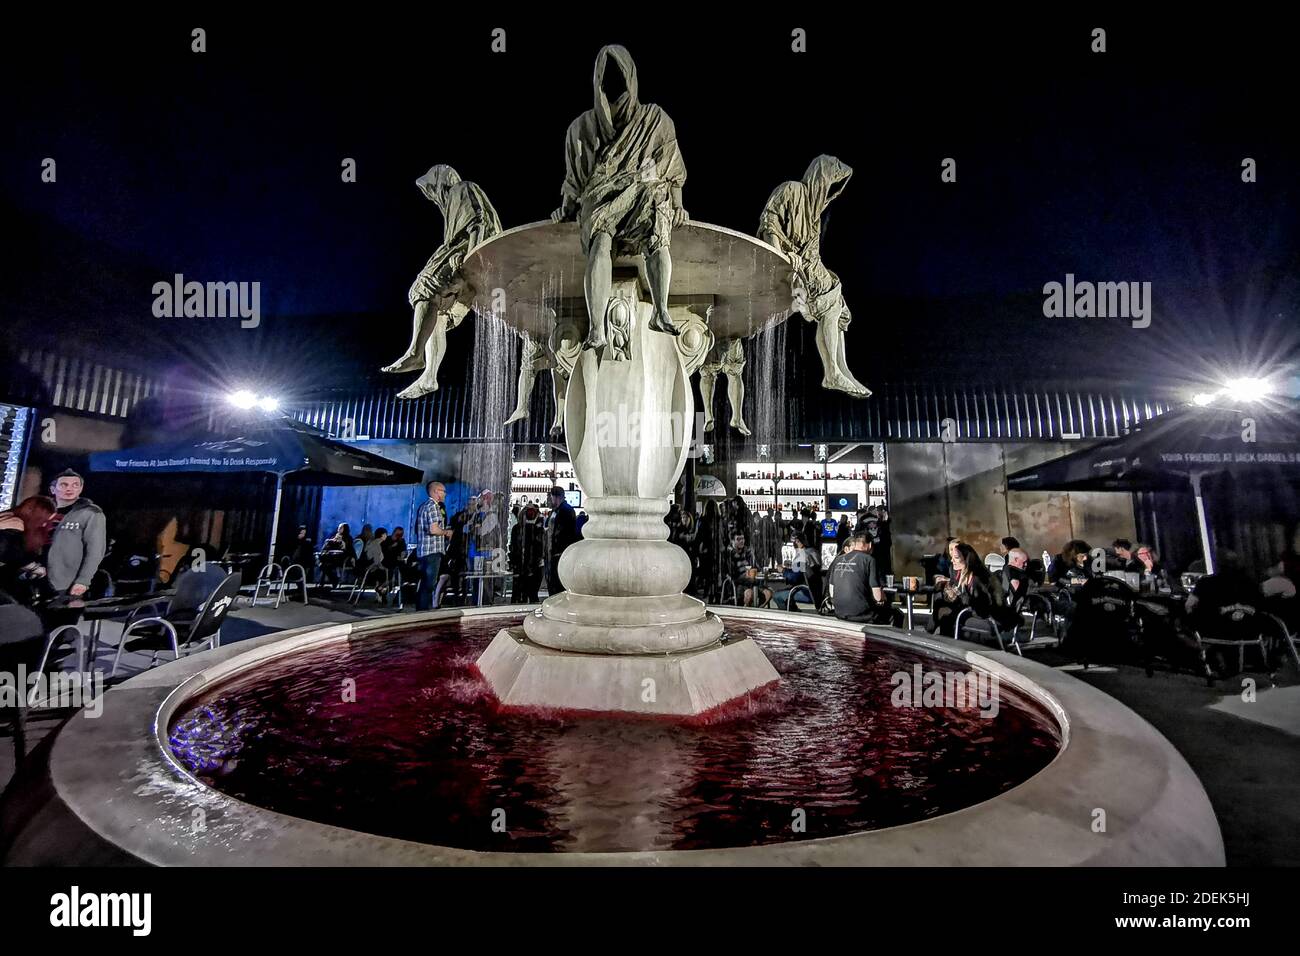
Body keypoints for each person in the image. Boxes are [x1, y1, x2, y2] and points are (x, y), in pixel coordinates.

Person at [551, 44, 688, 353]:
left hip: (643, 193)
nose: (614, 87)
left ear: (631, 79)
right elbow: (575, 176)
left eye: (619, 78)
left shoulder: (655, 119)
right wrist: (567, 207)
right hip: (601, 199)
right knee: (599, 241)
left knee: (658, 224)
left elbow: (671, 166)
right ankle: (597, 327)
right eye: (606, 79)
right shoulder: (582, 127)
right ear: (598, 82)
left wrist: (678, 204)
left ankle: (661, 311)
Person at [383, 165, 502, 398]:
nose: (432, 196)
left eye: (432, 189)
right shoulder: (452, 207)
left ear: (441, 183)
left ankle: (415, 354)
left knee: (424, 286)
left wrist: (473, 257)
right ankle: (429, 377)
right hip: (474, 265)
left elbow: (479, 221)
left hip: (473, 254)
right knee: (437, 318)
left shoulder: (461, 188)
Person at [44, 469, 107, 597]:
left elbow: (95, 550)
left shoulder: (91, 513)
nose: (70, 489)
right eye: (64, 485)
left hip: (66, 582)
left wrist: (83, 580)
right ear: (53, 489)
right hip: (36, 578)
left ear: (80, 489)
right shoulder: (40, 511)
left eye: (75, 485)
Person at [927, 542, 1000, 637]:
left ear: (967, 560)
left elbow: (977, 604)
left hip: (982, 615)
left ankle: (938, 639)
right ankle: (930, 635)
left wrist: (956, 595)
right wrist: (947, 589)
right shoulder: (961, 573)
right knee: (940, 603)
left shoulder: (978, 578)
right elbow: (956, 591)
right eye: (952, 557)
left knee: (946, 617)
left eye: (956, 558)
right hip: (966, 609)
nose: (952, 560)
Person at [827, 533, 901, 626]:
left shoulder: (838, 559)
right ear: (870, 545)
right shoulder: (869, 560)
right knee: (897, 615)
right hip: (861, 614)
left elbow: (832, 592)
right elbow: (877, 596)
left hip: (839, 612)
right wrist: (884, 597)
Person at [0, 495, 57, 605]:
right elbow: (10, 553)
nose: (44, 524)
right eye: (43, 519)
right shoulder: (14, 523)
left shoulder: (9, 517)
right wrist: (34, 567)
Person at [414, 481, 453, 610]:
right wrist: (446, 532)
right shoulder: (433, 507)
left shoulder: (423, 506)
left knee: (425, 583)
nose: (445, 494)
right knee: (429, 584)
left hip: (424, 551)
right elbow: (434, 529)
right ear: (436, 491)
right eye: (443, 491)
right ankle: (423, 612)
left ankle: (421, 609)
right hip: (432, 551)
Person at [772, 532, 822, 611]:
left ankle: (788, 616)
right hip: (816, 591)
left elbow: (794, 578)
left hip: (806, 592)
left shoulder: (802, 556)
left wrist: (783, 570)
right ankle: (794, 612)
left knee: (777, 595)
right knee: (785, 593)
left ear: (798, 542)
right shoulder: (813, 552)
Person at [508, 502, 546, 603]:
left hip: (532, 565)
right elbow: (514, 547)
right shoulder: (518, 529)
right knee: (520, 592)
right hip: (523, 564)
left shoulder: (537, 529)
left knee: (530, 593)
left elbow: (539, 547)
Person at [545, 486, 579, 596]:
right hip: (553, 554)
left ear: (555, 497)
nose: (549, 500)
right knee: (552, 583)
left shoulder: (566, 511)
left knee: (557, 585)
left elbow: (567, 533)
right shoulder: (556, 511)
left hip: (559, 554)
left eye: (550, 497)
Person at [727, 531, 771, 607]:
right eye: (738, 539)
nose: (741, 541)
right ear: (732, 541)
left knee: (768, 593)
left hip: (753, 582)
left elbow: (757, 568)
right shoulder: (729, 554)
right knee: (749, 593)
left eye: (743, 539)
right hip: (739, 584)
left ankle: (759, 609)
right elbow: (731, 574)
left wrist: (752, 555)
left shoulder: (748, 551)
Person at [994, 547, 1033, 628]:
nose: (1026, 565)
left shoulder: (999, 573)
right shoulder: (1015, 573)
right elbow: (1017, 591)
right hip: (1010, 612)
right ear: (1015, 560)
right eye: (1024, 562)